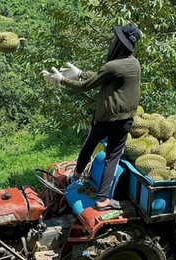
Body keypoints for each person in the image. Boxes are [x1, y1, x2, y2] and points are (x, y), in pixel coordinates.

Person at [42, 24, 142, 210]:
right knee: (113, 157)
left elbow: (85, 86)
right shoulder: (134, 63)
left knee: (89, 144)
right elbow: (99, 76)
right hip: (125, 120)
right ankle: (103, 198)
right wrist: (79, 73)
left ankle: (77, 175)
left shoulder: (113, 66)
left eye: (115, 40)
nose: (112, 42)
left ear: (119, 44)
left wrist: (62, 80)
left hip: (104, 119)